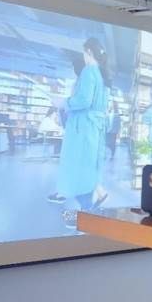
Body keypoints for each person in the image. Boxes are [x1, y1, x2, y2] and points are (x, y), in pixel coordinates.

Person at [48, 38, 110, 227]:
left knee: (78, 167)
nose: (83, 56)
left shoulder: (89, 71)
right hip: (94, 129)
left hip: (82, 129)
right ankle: (89, 209)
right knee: (88, 166)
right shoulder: (102, 75)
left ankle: (87, 214)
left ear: (88, 51)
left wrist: (63, 102)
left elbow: (83, 100)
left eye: (84, 52)